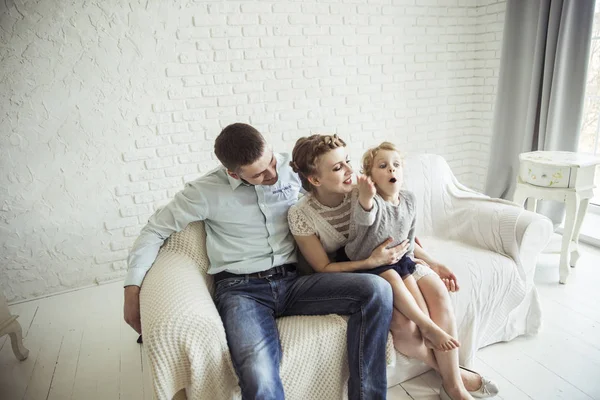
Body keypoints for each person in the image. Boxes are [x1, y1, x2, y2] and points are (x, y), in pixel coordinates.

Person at [123, 123, 395, 400]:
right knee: (258, 373)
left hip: (294, 282)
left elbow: (346, 188)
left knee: (377, 291)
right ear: (233, 173)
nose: (273, 174)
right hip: (242, 291)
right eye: (259, 174)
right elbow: (154, 230)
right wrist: (132, 288)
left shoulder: (296, 168)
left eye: (272, 162)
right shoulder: (204, 192)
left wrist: (398, 230)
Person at [288, 134, 500, 400]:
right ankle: (454, 375)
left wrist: (432, 262)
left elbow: (398, 230)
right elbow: (323, 267)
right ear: (315, 180)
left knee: (438, 296)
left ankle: (453, 386)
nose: (349, 171)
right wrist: (371, 262)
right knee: (408, 329)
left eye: (347, 162)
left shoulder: (362, 188)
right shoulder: (301, 214)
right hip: (361, 271)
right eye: (337, 167)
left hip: (396, 259)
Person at [342, 142, 460, 352]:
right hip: (369, 263)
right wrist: (365, 196)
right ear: (370, 177)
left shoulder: (409, 199)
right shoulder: (372, 201)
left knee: (418, 303)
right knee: (393, 278)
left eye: (396, 164)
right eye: (382, 165)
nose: (391, 168)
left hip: (398, 260)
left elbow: (409, 236)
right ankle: (427, 326)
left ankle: (428, 329)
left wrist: (415, 258)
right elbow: (364, 217)